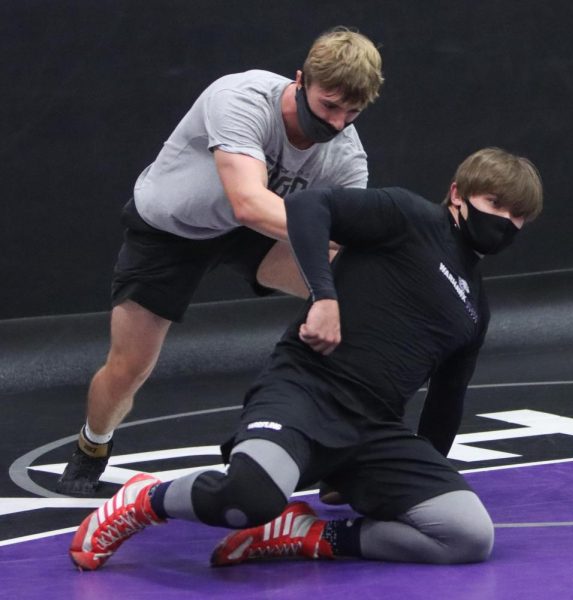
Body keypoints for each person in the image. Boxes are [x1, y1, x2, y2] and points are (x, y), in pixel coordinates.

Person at [68, 147, 543, 570]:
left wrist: (406, 485)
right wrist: (324, 296)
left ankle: (310, 535)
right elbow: (308, 205)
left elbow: (445, 404)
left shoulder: (473, 307)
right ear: (457, 193)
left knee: (467, 535)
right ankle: (145, 499)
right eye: (495, 205)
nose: (504, 223)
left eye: (517, 217)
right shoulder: (408, 215)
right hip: (304, 391)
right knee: (248, 498)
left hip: (374, 429)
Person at [56, 27, 384, 497]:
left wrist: (351, 277)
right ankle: (92, 446)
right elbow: (248, 201)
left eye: (352, 113)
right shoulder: (242, 98)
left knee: (360, 293)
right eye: (329, 105)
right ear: (300, 80)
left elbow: (348, 236)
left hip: (256, 234)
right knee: (130, 367)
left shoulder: (346, 155)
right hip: (173, 232)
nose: (336, 123)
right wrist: (334, 244)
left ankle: (344, 452)